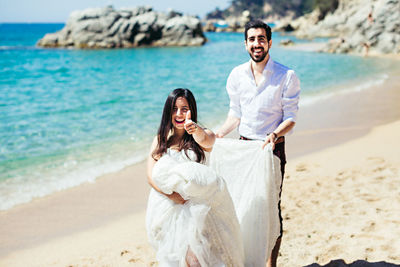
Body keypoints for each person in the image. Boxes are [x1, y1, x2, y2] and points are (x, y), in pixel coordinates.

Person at [216, 20, 300, 267]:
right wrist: (220, 134)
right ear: (245, 44)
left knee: (271, 209)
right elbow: (235, 114)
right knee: (245, 206)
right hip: (243, 149)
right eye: (252, 39)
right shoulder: (236, 75)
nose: (256, 44)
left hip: (271, 150)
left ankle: (270, 264)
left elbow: (291, 118)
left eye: (261, 39)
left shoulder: (287, 76)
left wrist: (274, 135)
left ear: (270, 42)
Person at [146, 88, 244, 266]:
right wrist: (173, 196)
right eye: (175, 109)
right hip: (167, 206)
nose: (179, 114)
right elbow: (150, 176)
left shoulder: (201, 134)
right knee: (174, 258)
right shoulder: (161, 139)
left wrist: (195, 129)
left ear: (192, 109)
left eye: (184, 109)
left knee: (196, 258)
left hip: (197, 208)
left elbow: (208, 141)